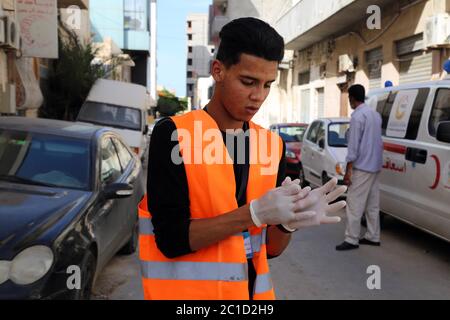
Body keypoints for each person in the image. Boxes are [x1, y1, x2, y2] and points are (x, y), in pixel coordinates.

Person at [139, 17, 347, 300]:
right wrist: (252, 214)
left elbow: (270, 250)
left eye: (267, 85)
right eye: (248, 82)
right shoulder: (174, 135)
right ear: (218, 71)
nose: (257, 96)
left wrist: (289, 222)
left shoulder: (272, 145)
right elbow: (171, 241)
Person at [336, 84, 383, 251]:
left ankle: (351, 238)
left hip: (362, 167)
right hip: (375, 166)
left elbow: (353, 147)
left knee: (354, 203)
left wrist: (348, 171)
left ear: (352, 98)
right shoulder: (375, 115)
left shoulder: (357, 117)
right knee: (372, 204)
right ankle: (373, 235)